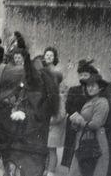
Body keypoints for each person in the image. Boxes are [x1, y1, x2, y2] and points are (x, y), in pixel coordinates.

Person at [67, 73, 110, 176]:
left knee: (93, 170)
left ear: (100, 88)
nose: (89, 88)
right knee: (77, 170)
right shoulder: (88, 102)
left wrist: (80, 121)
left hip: (96, 141)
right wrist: (75, 123)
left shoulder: (102, 102)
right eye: (88, 85)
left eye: (93, 85)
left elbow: (96, 124)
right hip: (83, 139)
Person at [62, 60, 99, 168]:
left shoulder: (93, 91)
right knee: (71, 151)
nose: (83, 77)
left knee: (84, 151)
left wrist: (84, 120)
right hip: (73, 124)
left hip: (86, 125)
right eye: (81, 75)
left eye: (86, 75)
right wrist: (76, 116)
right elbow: (68, 106)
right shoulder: (73, 89)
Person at [42, 47, 66, 176]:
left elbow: (61, 114)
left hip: (55, 124)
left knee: (51, 149)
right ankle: (45, 169)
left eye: (51, 55)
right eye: (47, 55)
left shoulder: (59, 92)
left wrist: (49, 121)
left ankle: (50, 171)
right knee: (45, 147)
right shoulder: (42, 70)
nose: (49, 57)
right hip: (49, 123)